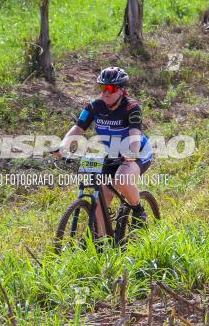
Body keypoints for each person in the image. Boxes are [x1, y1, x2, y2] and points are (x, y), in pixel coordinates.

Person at [52, 67, 153, 234]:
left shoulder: (131, 107)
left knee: (122, 178)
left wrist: (132, 153)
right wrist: (63, 146)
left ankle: (138, 212)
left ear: (121, 90)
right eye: (102, 87)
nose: (106, 92)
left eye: (111, 88)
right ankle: (101, 240)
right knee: (101, 199)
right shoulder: (93, 106)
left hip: (138, 151)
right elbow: (78, 128)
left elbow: (135, 134)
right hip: (112, 154)